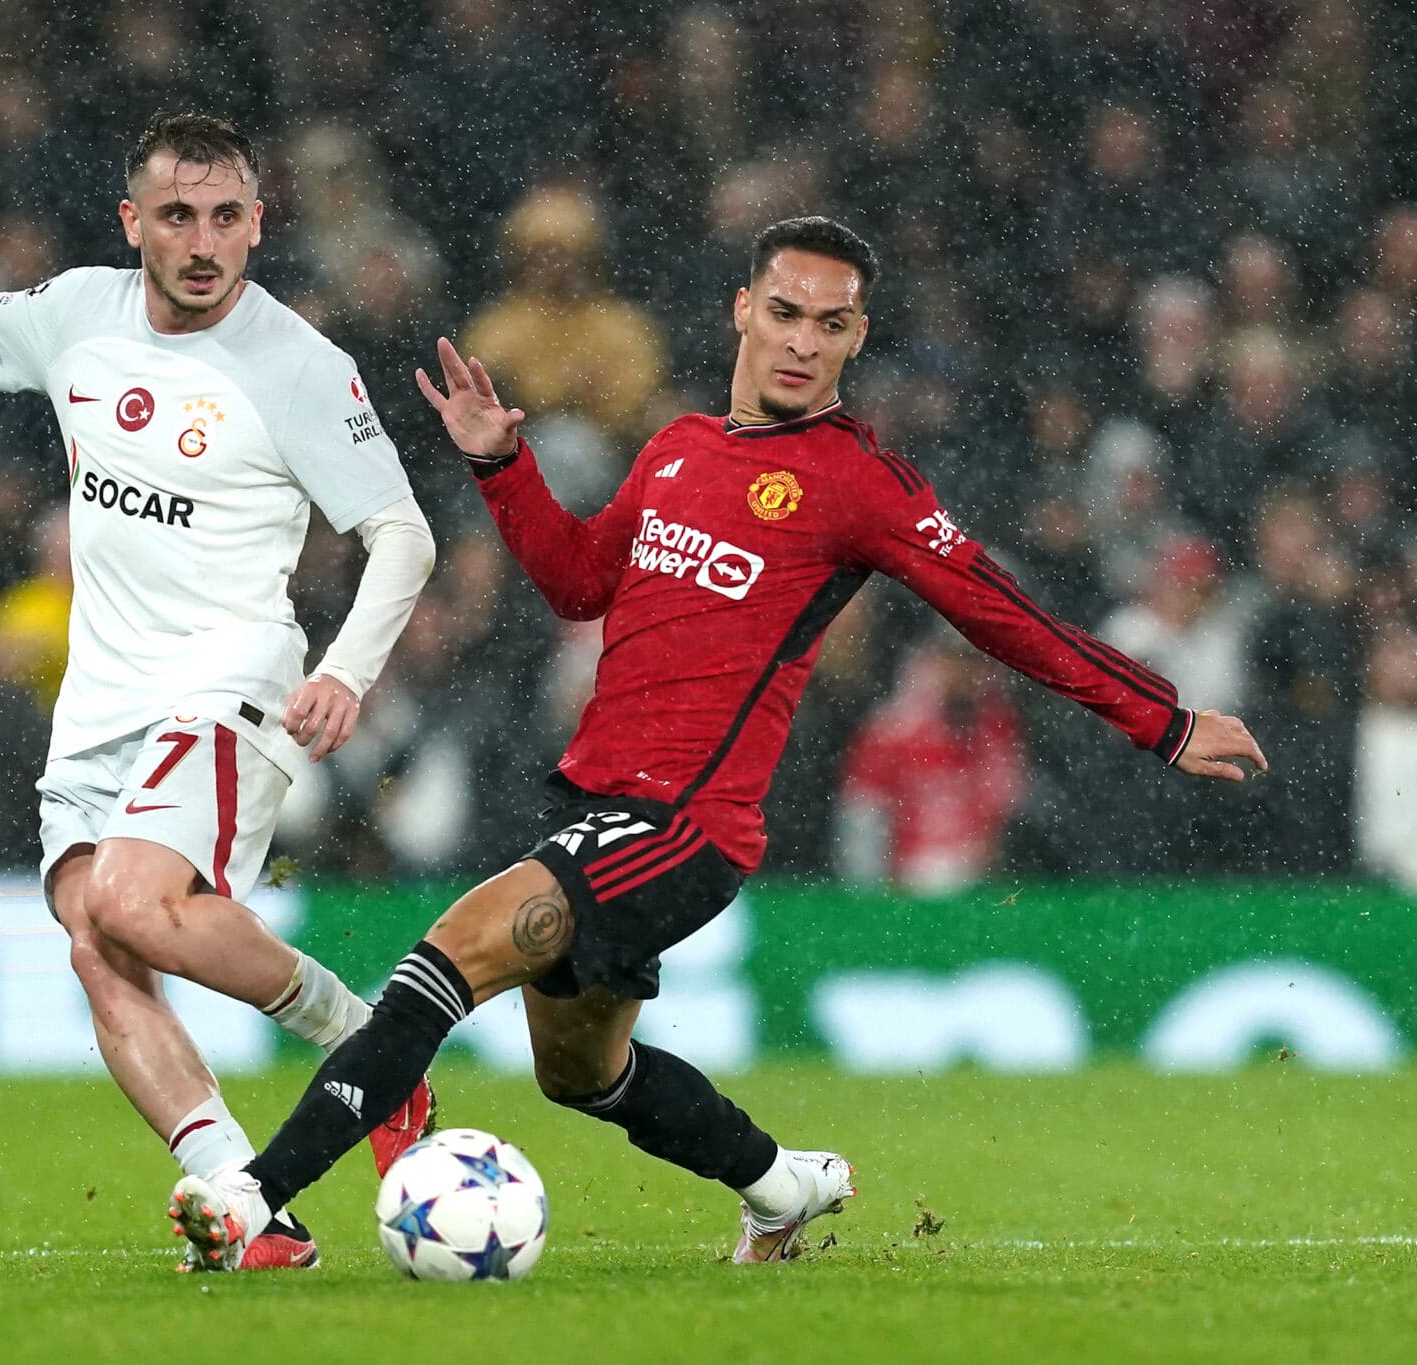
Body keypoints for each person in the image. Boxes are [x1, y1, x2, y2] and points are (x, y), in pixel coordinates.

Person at [170, 216, 1268, 1270]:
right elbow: (576, 583)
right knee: (577, 1073)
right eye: (784, 312)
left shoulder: (855, 481)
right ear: (742, 309)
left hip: (685, 823)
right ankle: (782, 1185)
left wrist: (1160, 720)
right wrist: (501, 469)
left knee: (444, 955)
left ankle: (251, 1196)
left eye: (829, 325)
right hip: (596, 802)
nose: (801, 340)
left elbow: (997, 611)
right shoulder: (678, 449)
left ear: (856, 339)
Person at [0, 68, 438, 1270]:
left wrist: (348, 671)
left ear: (259, 222)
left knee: (131, 903)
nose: (202, 245)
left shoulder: (301, 365)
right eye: (177, 217)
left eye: (227, 218)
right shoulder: (81, 315)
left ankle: (375, 1050)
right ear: (131, 222)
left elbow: (401, 532)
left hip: (231, 679)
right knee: (98, 944)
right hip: (98, 700)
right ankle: (246, 1208)